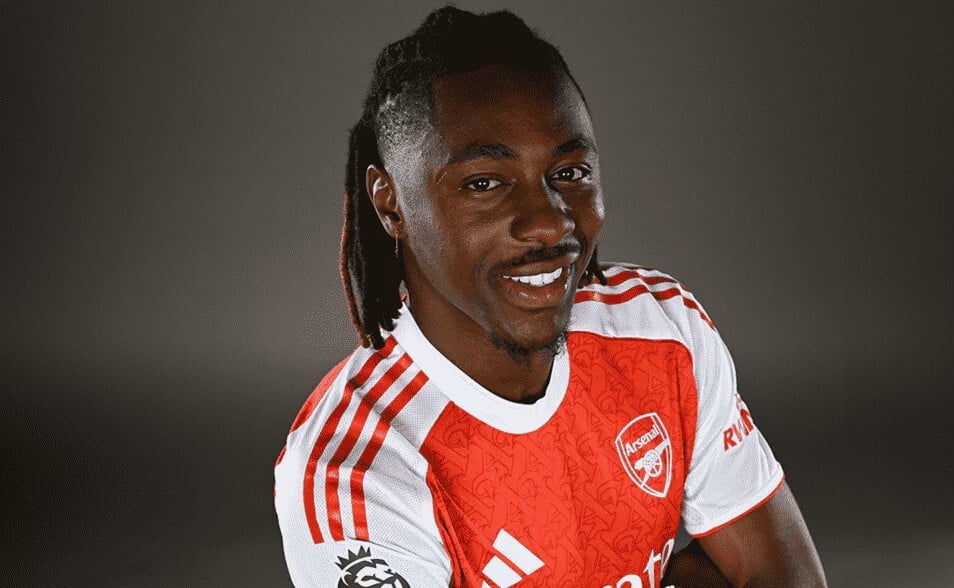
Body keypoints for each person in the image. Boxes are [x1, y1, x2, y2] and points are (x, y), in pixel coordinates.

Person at [274, 7, 826, 587]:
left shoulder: (661, 330)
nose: (546, 223)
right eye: (485, 183)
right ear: (391, 205)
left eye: (569, 172)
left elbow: (783, 575)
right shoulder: (351, 476)